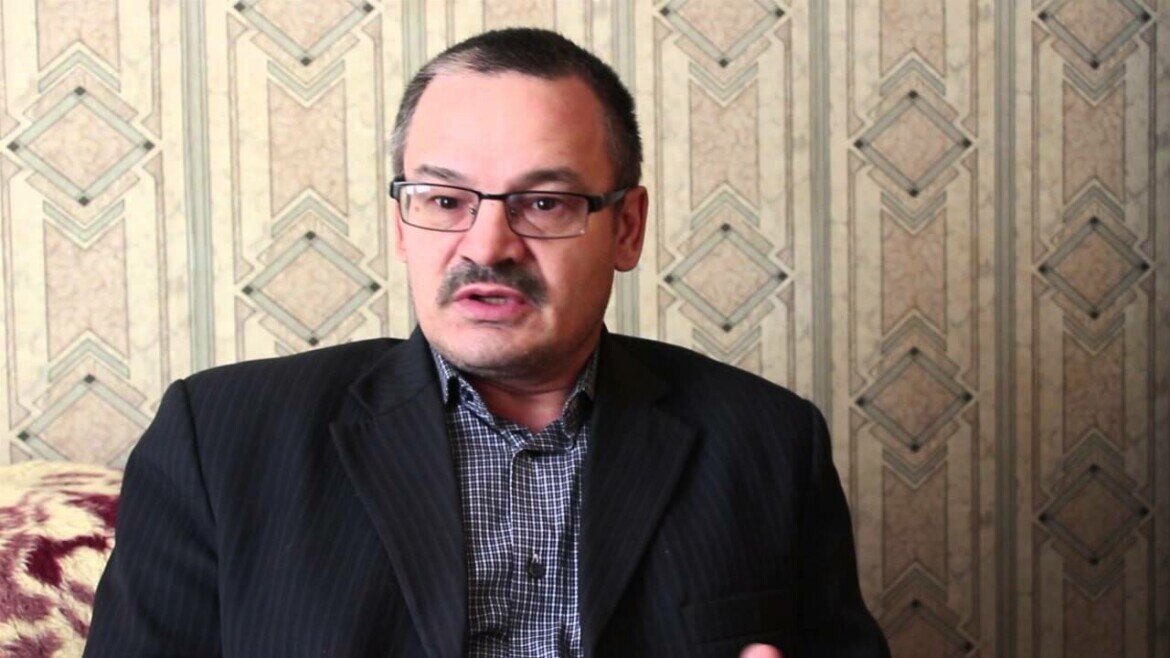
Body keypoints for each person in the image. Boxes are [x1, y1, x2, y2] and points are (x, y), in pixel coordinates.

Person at [84, 28, 889, 658]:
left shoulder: (768, 442)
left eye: (544, 203)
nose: (488, 245)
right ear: (403, 224)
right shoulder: (219, 439)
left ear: (627, 227)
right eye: (444, 200)